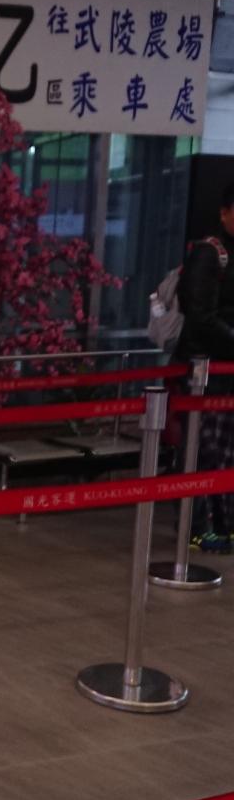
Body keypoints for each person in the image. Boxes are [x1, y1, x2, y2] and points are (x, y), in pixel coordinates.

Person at [175, 181, 234, 551]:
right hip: (204, 370)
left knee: (225, 450)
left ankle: (225, 523)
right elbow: (200, 317)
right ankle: (196, 525)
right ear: (224, 212)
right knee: (201, 448)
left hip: (227, 369)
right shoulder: (209, 253)